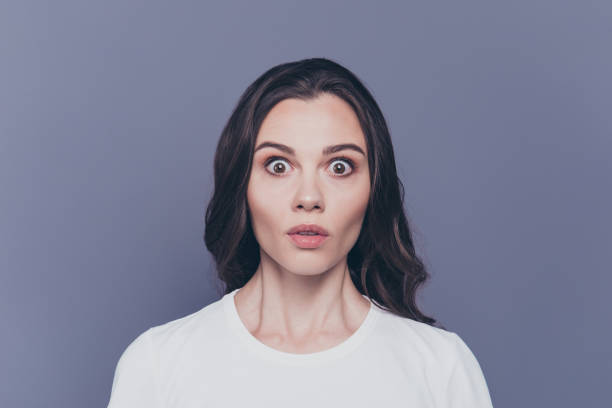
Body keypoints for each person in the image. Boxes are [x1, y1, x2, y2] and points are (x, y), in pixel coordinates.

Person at [106, 57, 494, 407]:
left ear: (374, 190)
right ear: (241, 183)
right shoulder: (157, 364)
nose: (309, 197)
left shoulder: (440, 367)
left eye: (340, 167)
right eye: (278, 165)